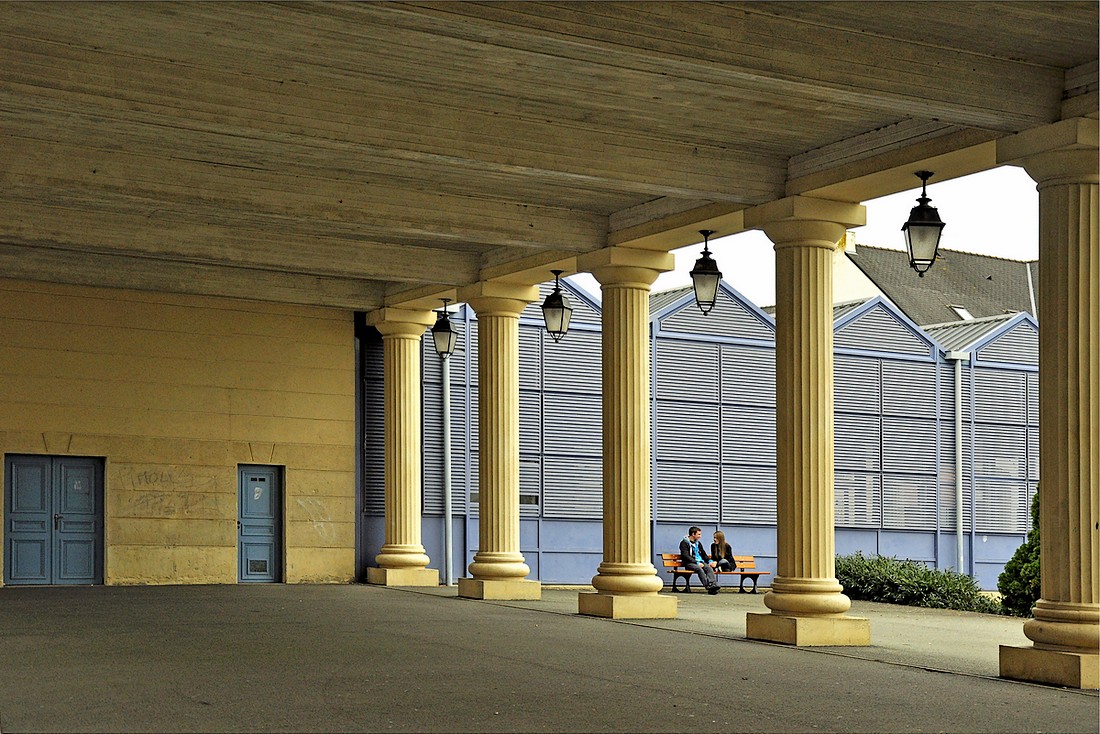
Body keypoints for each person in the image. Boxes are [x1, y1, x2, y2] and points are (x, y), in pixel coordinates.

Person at [679, 526, 720, 594]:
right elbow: (685, 556)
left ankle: (713, 585)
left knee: (708, 568)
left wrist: (710, 561)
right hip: (689, 563)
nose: (700, 536)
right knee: (699, 569)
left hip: (700, 562)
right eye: (698, 534)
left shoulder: (698, 543)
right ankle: (708, 586)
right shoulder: (684, 543)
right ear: (693, 534)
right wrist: (696, 562)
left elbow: (703, 554)